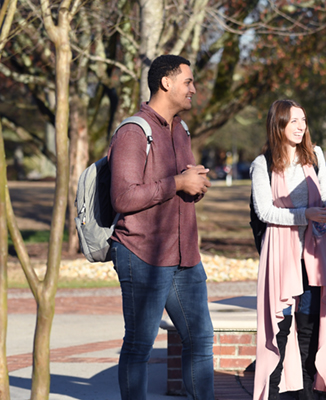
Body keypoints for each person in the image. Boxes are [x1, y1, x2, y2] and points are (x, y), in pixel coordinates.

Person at [108, 54, 214, 400]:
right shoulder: (133, 131)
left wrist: (193, 185)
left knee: (200, 340)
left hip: (186, 257)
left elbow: (179, 186)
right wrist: (178, 183)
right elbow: (123, 197)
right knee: (139, 346)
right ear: (165, 83)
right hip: (142, 255)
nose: (194, 90)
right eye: (188, 82)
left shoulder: (181, 130)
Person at [251, 100, 326, 400]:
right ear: (278, 124)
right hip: (281, 255)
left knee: (309, 327)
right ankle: (273, 393)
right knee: (279, 330)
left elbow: (324, 197)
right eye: (293, 121)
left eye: (303, 120)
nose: (300, 127)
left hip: (312, 257)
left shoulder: (315, 156)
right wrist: (303, 215)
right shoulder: (263, 163)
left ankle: (309, 394)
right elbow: (264, 212)